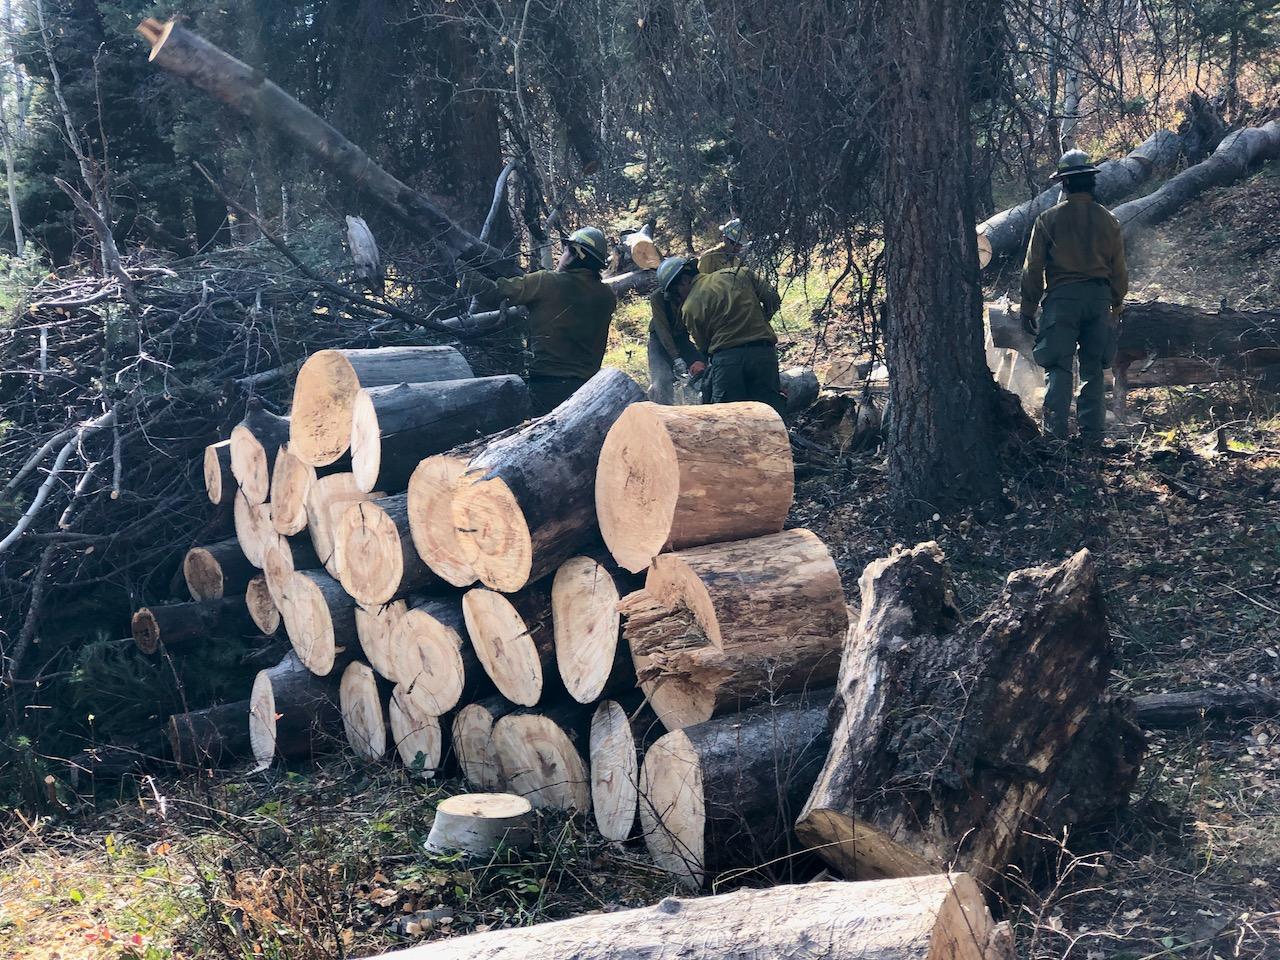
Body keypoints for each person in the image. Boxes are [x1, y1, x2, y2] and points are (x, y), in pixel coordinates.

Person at [1020, 150, 1128, 444]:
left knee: (1057, 366)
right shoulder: (1109, 221)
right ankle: (1092, 437)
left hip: (1061, 301)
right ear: (1092, 183)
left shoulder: (1047, 220)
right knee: (1094, 369)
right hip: (1099, 300)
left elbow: (1033, 269)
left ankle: (1055, 436)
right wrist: (1116, 305)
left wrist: (1027, 308)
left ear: (1064, 185)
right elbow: (1119, 269)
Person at [462, 227, 617, 415]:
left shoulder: (546, 282)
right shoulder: (607, 296)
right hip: (590, 388)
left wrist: (458, 265)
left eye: (567, 248)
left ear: (576, 255)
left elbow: (492, 293)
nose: (563, 254)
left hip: (547, 386)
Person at [656, 255, 784, 413]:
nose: (678, 298)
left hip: (728, 362)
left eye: (676, 293)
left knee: (727, 417)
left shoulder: (689, 307)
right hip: (764, 354)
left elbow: (704, 346)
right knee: (770, 413)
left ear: (684, 280)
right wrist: (760, 321)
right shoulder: (738, 273)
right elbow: (773, 298)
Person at [647, 282, 706, 404]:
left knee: (702, 368)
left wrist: (705, 351)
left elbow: (698, 326)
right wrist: (676, 358)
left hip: (682, 339)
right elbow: (662, 330)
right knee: (662, 379)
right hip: (659, 340)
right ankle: (661, 411)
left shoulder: (693, 294)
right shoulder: (658, 297)